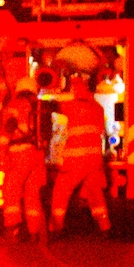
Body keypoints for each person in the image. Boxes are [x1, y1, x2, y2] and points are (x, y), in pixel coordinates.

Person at [49, 75, 111, 236]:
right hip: (95, 160)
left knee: (61, 191)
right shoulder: (98, 108)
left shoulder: (71, 106)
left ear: (77, 90)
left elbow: (53, 107)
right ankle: (105, 227)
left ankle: (57, 227)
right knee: (95, 193)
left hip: (76, 160)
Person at [0, 77, 46, 242]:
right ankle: (34, 232)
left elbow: (6, 132)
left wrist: (3, 154)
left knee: (11, 189)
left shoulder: (13, 106)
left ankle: (12, 230)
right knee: (32, 193)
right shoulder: (38, 106)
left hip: (20, 152)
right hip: (38, 154)